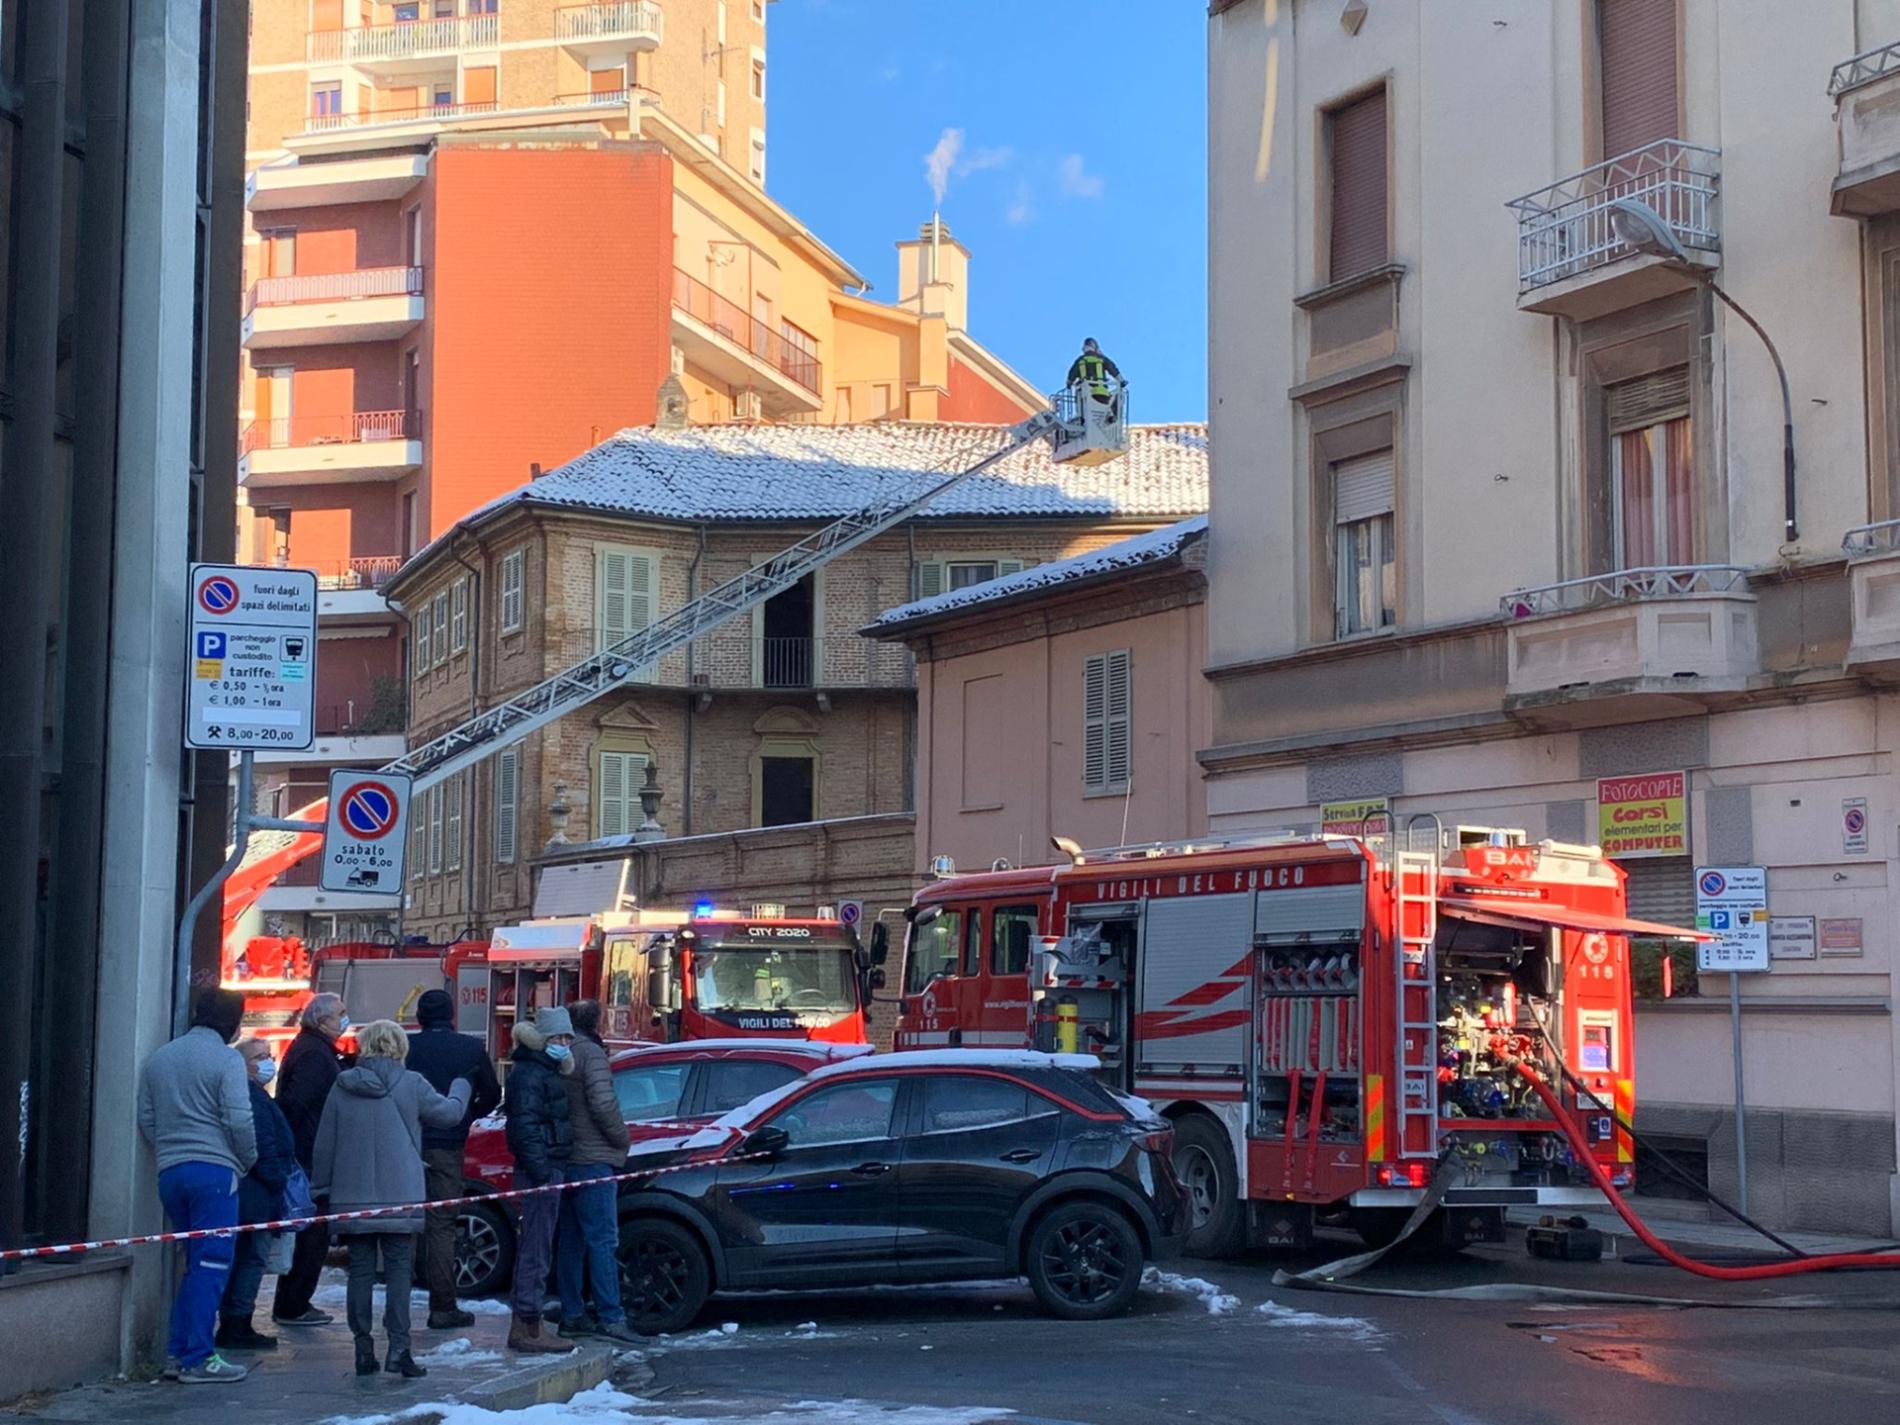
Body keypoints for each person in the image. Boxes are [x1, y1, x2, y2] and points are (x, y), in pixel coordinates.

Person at [312, 1018, 471, 1379]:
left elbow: (325, 1143)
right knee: (399, 1273)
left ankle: (362, 1348)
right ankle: (399, 1349)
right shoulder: (411, 1083)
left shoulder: (342, 1086)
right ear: (400, 1047)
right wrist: (462, 1085)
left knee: (360, 1272)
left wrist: (321, 1190)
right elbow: (449, 1115)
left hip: (351, 1198)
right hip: (401, 1196)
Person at [135, 988, 258, 1384]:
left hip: (170, 1173)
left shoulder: (161, 1057)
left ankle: (178, 1351)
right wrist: (244, 1160)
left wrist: (169, 1150)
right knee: (212, 1265)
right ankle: (199, 1358)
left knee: (194, 1266)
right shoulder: (227, 1059)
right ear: (233, 1023)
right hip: (215, 1173)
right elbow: (239, 1119)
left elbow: (147, 1117)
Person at [405, 988, 502, 1329]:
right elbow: (491, 1093)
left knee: (404, 1223)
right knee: (443, 1225)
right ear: (452, 1016)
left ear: (419, 1018)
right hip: (448, 1145)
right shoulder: (470, 1049)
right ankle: (443, 1306)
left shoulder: (406, 1048)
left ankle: (402, 1302)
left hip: (408, 1143)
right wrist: (466, 1115)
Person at [555, 1000, 634, 1343]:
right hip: (594, 1159)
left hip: (567, 1158)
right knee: (603, 1241)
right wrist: (622, 1138)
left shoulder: (562, 1052)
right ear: (596, 1021)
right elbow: (603, 1103)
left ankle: (572, 1312)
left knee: (571, 1242)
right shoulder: (592, 1055)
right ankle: (611, 1316)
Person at [271, 992, 348, 1327]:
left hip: (310, 1151)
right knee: (312, 1235)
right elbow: (297, 1103)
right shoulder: (315, 1055)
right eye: (340, 1014)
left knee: (311, 1232)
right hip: (310, 1155)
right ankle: (294, 1303)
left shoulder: (314, 1049)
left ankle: (294, 1301)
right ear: (321, 1021)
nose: (345, 1019)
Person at [503, 1006, 577, 1354]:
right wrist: (542, 1171)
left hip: (547, 1165)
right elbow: (525, 1127)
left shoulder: (539, 1070)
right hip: (542, 1169)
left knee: (539, 1245)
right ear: (543, 1038)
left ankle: (529, 1323)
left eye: (567, 1038)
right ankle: (528, 1326)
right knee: (535, 1247)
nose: (564, 1043)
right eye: (558, 1037)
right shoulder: (531, 1074)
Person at [217, 1038, 297, 1353]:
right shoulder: (249, 1097)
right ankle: (237, 1323)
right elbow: (261, 1143)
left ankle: (237, 1320)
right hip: (256, 1191)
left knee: (248, 1257)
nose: (268, 1062)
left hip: (256, 1189)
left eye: (269, 1055)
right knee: (251, 1258)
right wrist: (278, 1180)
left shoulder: (256, 1095)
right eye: (259, 1057)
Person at [1065, 337, 1122, 410]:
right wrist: (1121, 381)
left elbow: (1071, 374)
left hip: (1084, 393)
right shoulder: (1101, 358)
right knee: (1108, 410)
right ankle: (1112, 415)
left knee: (1084, 412)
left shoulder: (1080, 361)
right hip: (1101, 393)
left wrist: (1069, 384)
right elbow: (1113, 370)